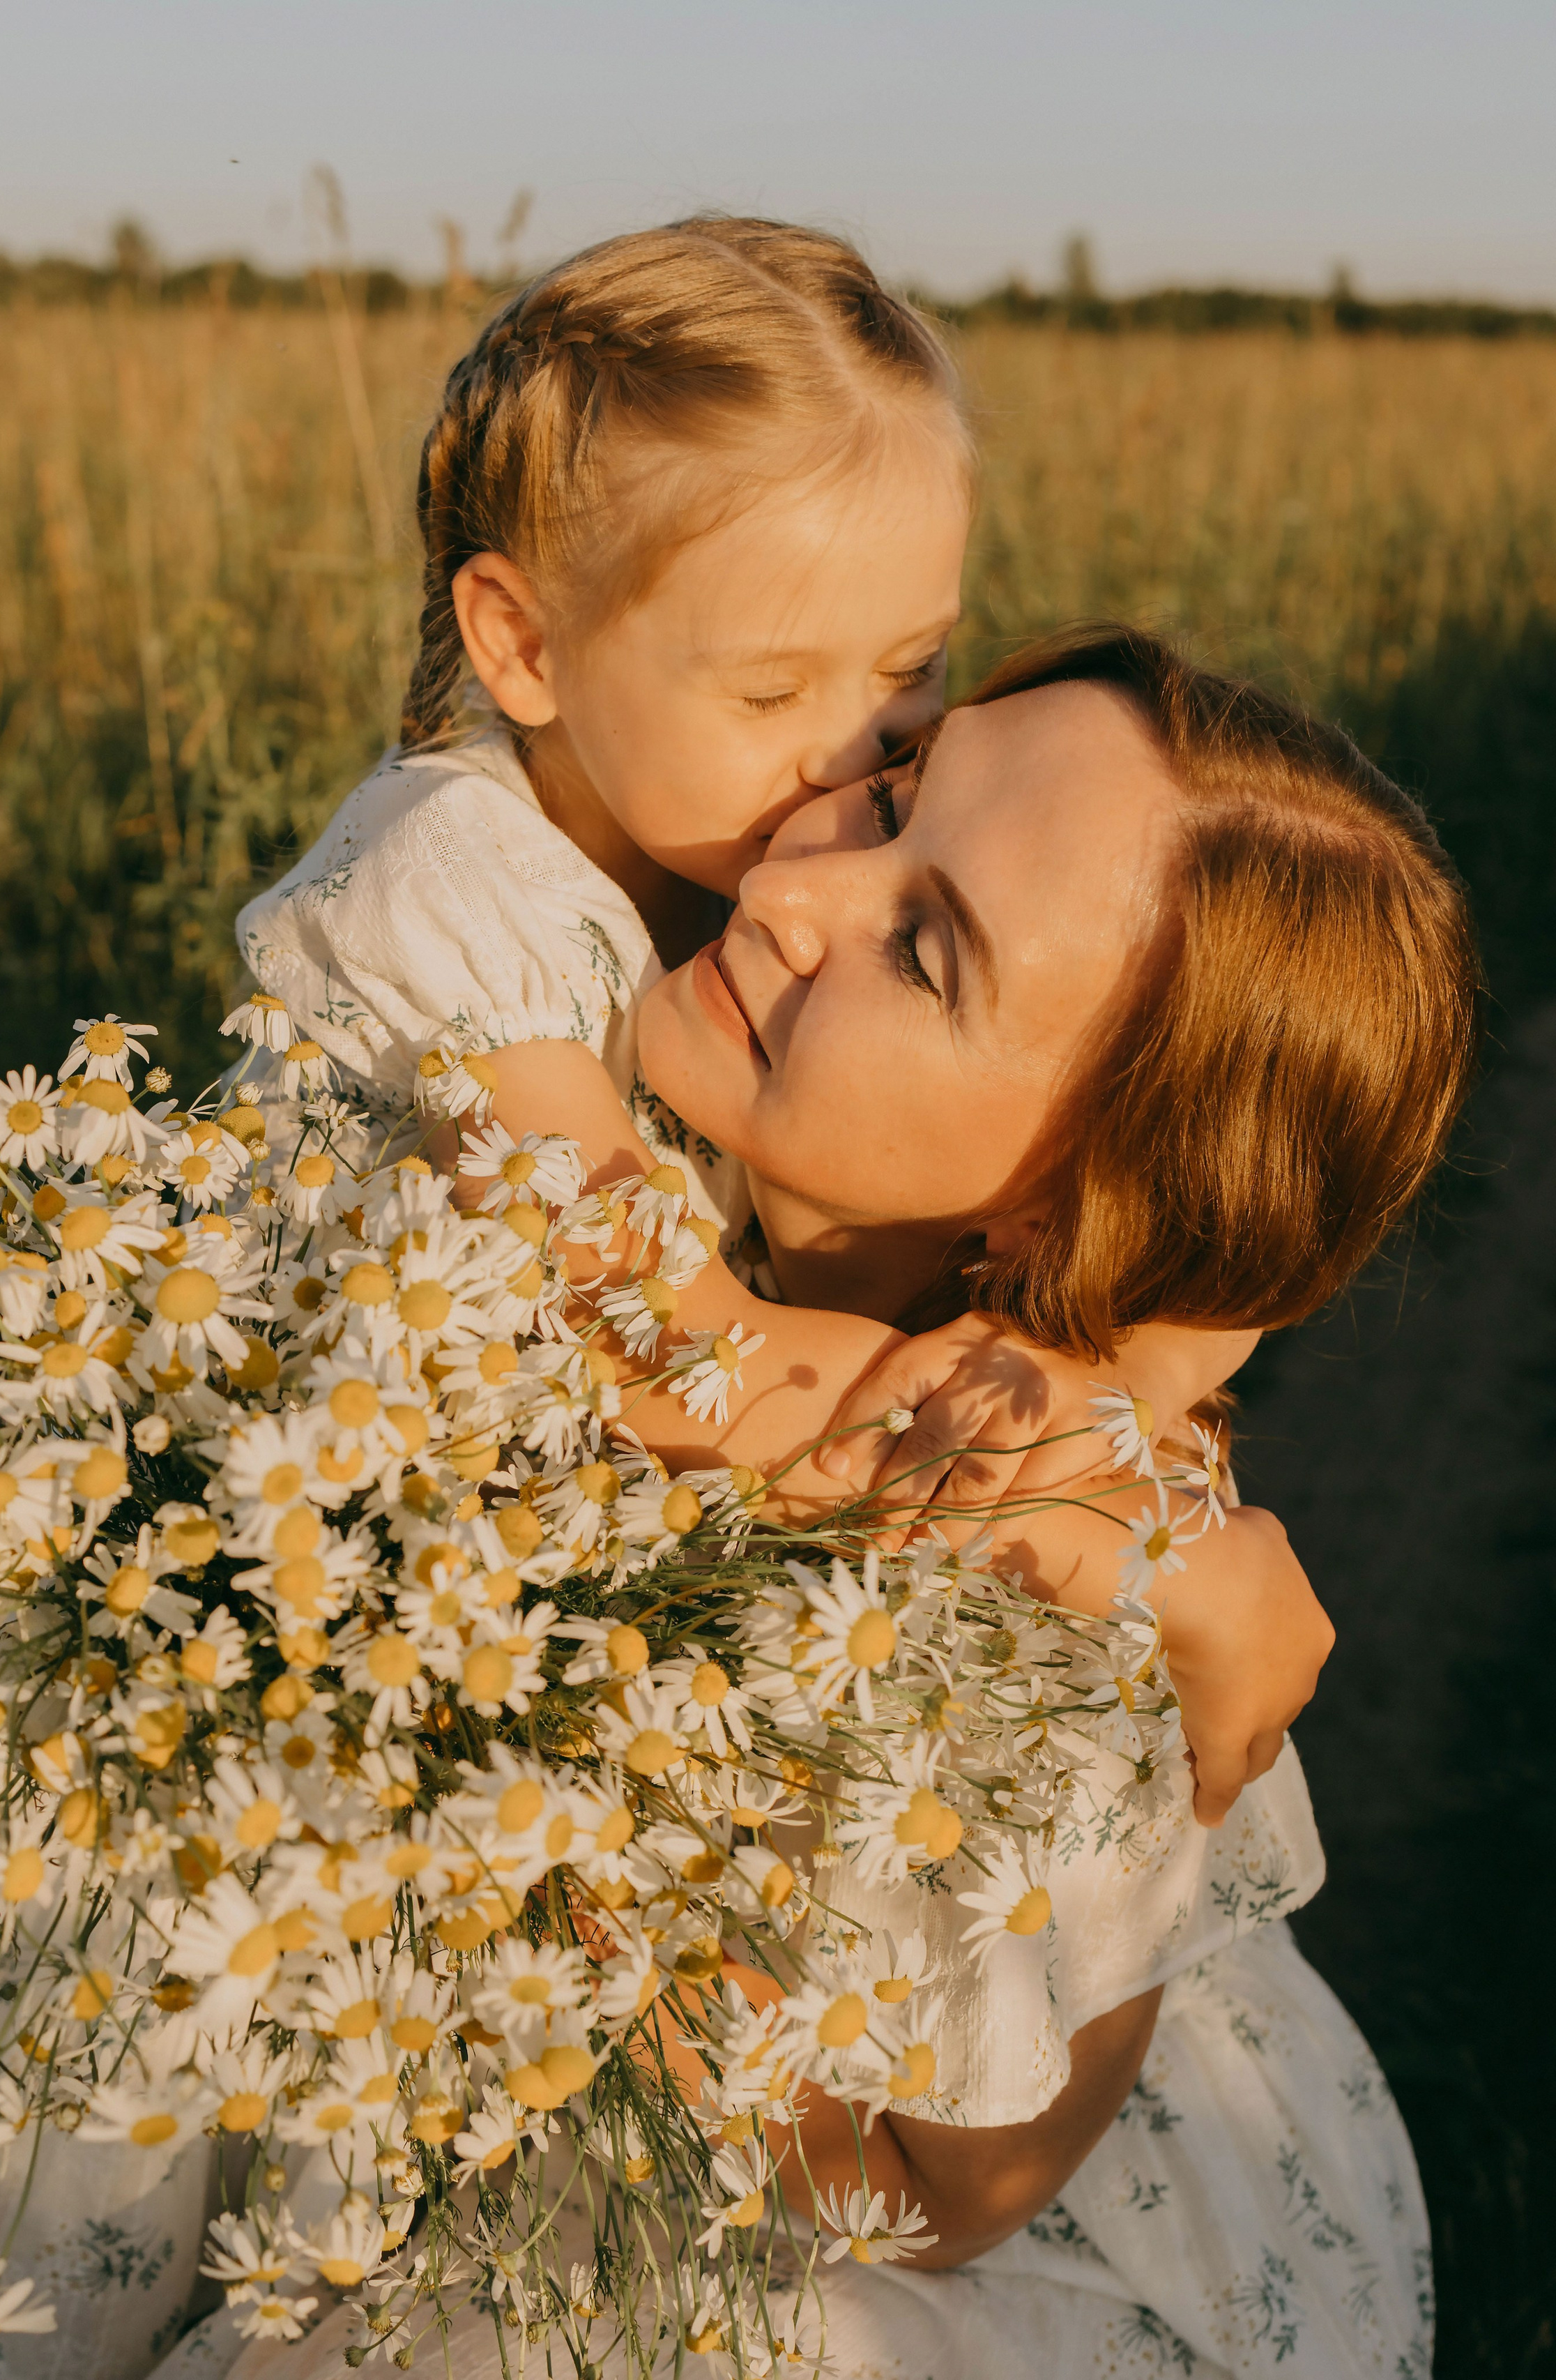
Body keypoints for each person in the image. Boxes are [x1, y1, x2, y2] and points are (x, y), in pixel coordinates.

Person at [188, 626, 1474, 2379]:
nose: (798, 891)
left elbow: (966, 2187)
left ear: (1051, 1215)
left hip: (819, 2211)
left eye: (925, 949)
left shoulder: (1048, 1585)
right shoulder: (574, 1061)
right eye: (890, 794)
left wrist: (599, 1982)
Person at [231, 215, 1322, 1815]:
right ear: (522, 645)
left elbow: (1209, 1287)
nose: (846, 763)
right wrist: (1141, 1545)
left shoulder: (746, 856)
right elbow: (662, 1358)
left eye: (908, 675)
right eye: (767, 693)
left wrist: (1117, 1390)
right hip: (349, 1680)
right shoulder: (452, 896)